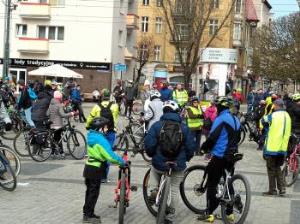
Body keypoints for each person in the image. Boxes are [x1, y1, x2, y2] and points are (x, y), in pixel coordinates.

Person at [144, 100, 196, 224]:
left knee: (153, 170)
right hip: (177, 165)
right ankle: (170, 216)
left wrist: (152, 155)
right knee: (173, 190)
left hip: (159, 163)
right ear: (177, 112)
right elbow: (190, 148)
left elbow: (149, 145)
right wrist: (186, 159)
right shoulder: (184, 127)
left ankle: (153, 190)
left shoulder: (156, 125)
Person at [197, 97, 241, 222]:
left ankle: (209, 214)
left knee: (212, 184)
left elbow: (212, 137)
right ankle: (229, 213)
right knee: (228, 182)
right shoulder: (236, 119)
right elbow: (237, 139)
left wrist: (204, 148)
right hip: (232, 155)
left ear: (220, 107)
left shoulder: (220, 119)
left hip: (220, 155)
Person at [83, 117, 125, 224]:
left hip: (88, 167)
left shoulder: (91, 136)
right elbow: (110, 156)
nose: (106, 129)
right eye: (105, 127)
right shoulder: (101, 140)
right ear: (99, 128)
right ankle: (88, 216)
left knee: (89, 192)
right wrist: (122, 162)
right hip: (96, 168)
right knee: (93, 193)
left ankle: (87, 212)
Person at [86, 89, 119, 183]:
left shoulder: (96, 106)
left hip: (99, 133)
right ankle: (104, 177)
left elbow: (90, 118)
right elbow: (115, 117)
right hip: (111, 132)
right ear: (110, 96)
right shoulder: (115, 106)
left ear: (102, 96)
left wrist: (87, 126)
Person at [261, 99, 291, 196]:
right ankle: (282, 189)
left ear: (276, 106)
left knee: (270, 169)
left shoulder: (274, 115)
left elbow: (263, 121)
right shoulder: (287, 116)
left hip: (272, 147)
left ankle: (272, 190)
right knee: (277, 167)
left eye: (274, 106)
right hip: (282, 148)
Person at [47, 91, 76, 159]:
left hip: (51, 124)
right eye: (61, 98)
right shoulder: (59, 105)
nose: (61, 99)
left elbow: (47, 114)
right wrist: (71, 114)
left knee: (54, 139)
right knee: (58, 138)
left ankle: (53, 152)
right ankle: (61, 152)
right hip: (58, 125)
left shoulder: (51, 104)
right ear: (59, 98)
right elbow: (63, 115)